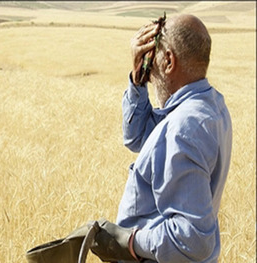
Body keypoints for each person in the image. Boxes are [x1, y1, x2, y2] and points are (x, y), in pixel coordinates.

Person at [91, 14, 232, 263]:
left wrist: (129, 242)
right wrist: (137, 80)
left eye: (152, 55)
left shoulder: (183, 128)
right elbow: (137, 137)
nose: (150, 67)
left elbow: (194, 240)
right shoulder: (209, 105)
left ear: (168, 60)